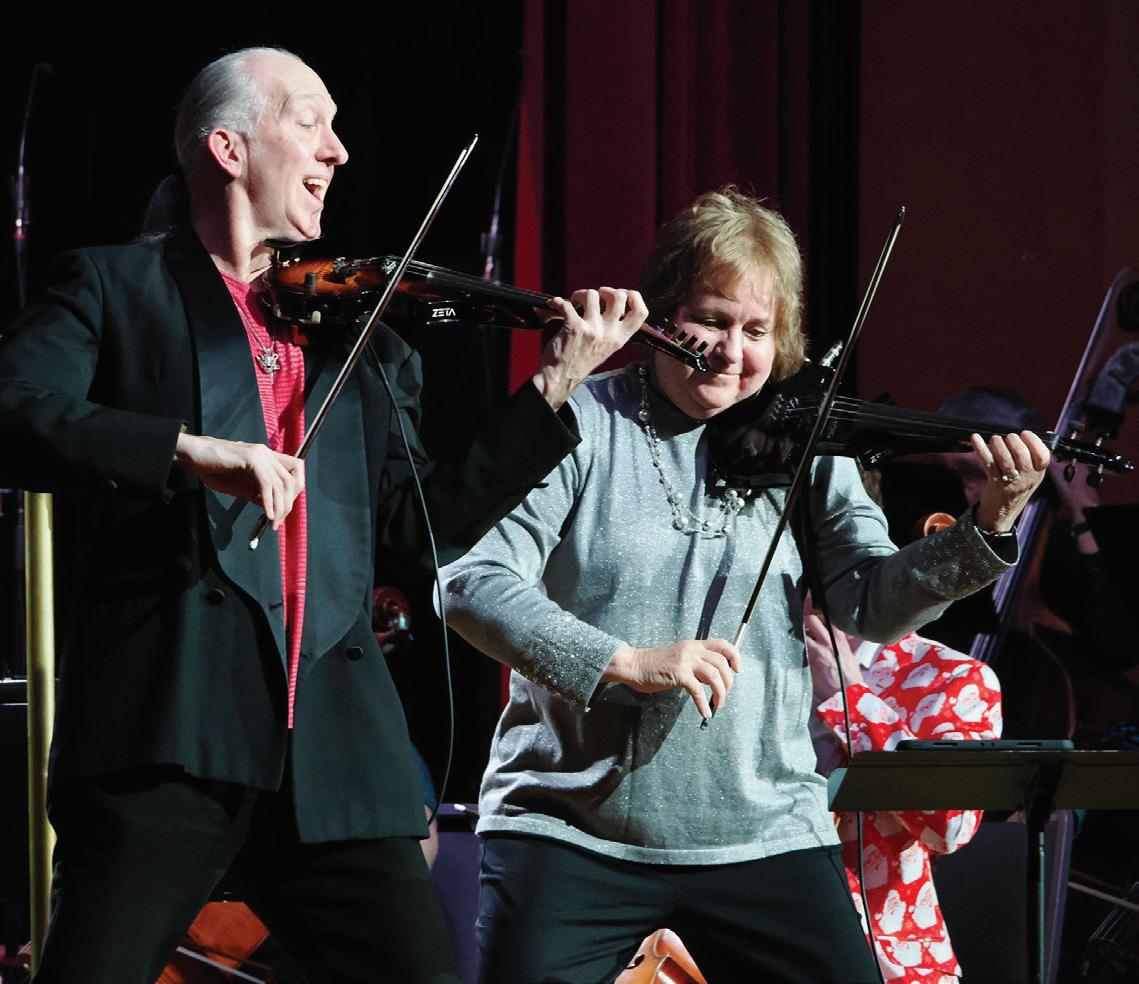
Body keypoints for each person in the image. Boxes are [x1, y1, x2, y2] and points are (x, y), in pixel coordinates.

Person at [0, 47, 649, 983]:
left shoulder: (360, 339)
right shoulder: (114, 289)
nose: (338, 151)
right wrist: (185, 449)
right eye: (310, 122)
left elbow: (419, 530)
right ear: (228, 148)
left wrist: (553, 386)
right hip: (172, 740)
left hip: (333, 753)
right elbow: (16, 412)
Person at [438, 187, 1051, 983]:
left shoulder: (803, 445)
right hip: (569, 828)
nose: (731, 352)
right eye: (711, 320)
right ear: (661, 313)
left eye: (756, 330)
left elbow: (869, 602)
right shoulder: (583, 422)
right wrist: (624, 662)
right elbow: (471, 581)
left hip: (764, 829)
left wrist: (986, 527)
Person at [805, 600, 1002, 984]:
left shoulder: (951, 677)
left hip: (878, 951)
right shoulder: (749, 655)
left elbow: (950, 826)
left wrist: (849, 700)